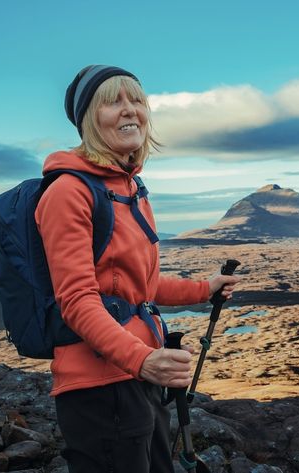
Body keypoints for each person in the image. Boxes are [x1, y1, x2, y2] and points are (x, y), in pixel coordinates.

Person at [35, 65, 239, 473]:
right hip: (99, 388)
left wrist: (205, 288)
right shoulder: (69, 192)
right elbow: (76, 301)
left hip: (139, 374)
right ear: (88, 119)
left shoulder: (129, 188)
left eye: (137, 101)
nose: (130, 111)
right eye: (113, 102)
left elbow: (138, 288)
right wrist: (142, 360)